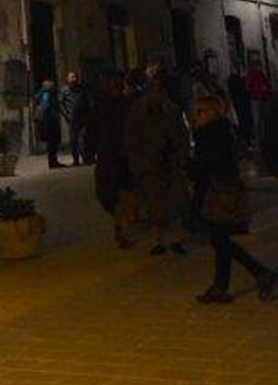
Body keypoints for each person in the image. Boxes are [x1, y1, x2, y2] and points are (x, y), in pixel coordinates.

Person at [188, 86, 276, 304]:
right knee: (220, 240)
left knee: (220, 240)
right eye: (196, 111)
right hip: (218, 192)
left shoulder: (213, 134)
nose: (196, 116)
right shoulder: (218, 131)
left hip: (219, 194)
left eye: (201, 111)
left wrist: (190, 166)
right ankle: (225, 285)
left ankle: (259, 273)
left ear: (213, 112)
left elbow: (208, 165)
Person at [124, 73, 188, 255]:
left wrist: (181, 156)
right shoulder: (137, 113)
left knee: (175, 204)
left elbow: (182, 135)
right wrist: (142, 164)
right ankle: (159, 239)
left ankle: (175, 239)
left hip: (171, 163)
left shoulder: (172, 111)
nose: (159, 95)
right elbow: (131, 142)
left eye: (161, 91)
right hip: (150, 166)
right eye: (155, 91)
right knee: (155, 206)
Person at [94, 70, 136, 246]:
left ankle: (124, 229)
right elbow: (95, 128)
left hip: (123, 155)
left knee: (125, 193)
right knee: (108, 194)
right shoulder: (102, 104)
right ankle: (120, 224)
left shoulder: (128, 104)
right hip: (108, 155)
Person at [59, 71, 92, 166]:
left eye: (75, 77)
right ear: (67, 79)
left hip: (83, 118)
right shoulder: (64, 91)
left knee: (83, 138)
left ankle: (85, 158)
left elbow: (89, 101)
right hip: (71, 119)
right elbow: (61, 104)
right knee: (74, 140)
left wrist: (89, 114)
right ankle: (76, 160)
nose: (74, 79)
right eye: (72, 77)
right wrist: (66, 115)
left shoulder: (82, 89)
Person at [34, 78, 64, 168]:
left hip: (48, 119)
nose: (54, 87)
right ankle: (53, 162)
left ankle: (53, 161)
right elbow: (45, 104)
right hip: (50, 120)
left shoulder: (44, 92)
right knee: (52, 142)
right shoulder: (46, 93)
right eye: (52, 85)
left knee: (52, 142)